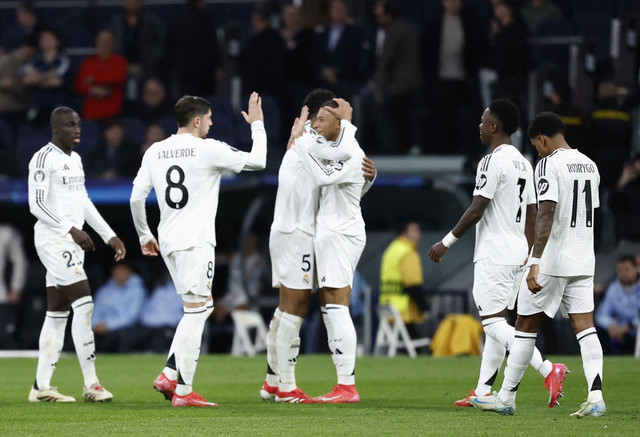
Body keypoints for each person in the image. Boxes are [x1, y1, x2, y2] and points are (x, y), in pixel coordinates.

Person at [129, 92, 267, 407]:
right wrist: (257, 125)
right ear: (196, 120)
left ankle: (173, 377)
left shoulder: (155, 151)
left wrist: (143, 235)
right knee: (196, 310)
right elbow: (258, 161)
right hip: (196, 240)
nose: (212, 123)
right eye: (209, 118)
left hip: (168, 240)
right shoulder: (208, 149)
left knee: (200, 307)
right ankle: (179, 385)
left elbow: (136, 198)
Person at [428, 100, 566, 408]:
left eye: (482, 121)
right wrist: (531, 257)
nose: (478, 126)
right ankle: (482, 391)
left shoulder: (491, 162)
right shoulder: (523, 162)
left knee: (491, 324)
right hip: (517, 252)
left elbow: (477, 207)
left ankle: (548, 369)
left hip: (494, 253)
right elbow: (532, 216)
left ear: (494, 126)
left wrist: (446, 242)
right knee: (499, 324)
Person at [470, 112, 605, 417]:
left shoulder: (549, 163)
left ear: (542, 139)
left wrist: (535, 260)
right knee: (586, 328)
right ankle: (595, 395)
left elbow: (545, 212)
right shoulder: (591, 165)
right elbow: (593, 213)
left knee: (524, 327)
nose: (538, 151)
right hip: (585, 258)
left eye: (537, 146)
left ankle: (505, 398)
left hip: (553, 260)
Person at [261, 93, 364, 404]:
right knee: (295, 309)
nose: (318, 126)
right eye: (315, 119)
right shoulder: (310, 141)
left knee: (285, 309)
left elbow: (347, 167)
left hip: (291, 230)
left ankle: (272, 381)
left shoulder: (309, 143)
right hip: (297, 233)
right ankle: (287, 387)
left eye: (324, 119)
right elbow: (337, 162)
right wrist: (345, 123)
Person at [27, 106, 126, 402]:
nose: (77, 129)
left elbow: (83, 201)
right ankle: (92, 384)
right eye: (70, 125)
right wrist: (70, 229)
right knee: (84, 304)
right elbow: (37, 204)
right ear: (55, 128)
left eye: (78, 124)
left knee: (57, 313)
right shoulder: (43, 158)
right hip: (53, 240)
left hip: (70, 242)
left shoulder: (77, 159)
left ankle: (40, 386)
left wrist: (109, 235)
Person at [292, 98, 371, 404]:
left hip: (341, 233)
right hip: (333, 232)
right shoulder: (335, 148)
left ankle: (347, 386)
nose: (315, 124)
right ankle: (342, 384)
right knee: (329, 307)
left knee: (337, 306)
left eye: (323, 120)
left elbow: (323, 176)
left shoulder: (350, 149)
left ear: (339, 124)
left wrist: (299, 144)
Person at [379, 221, 429, 336]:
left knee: (405, 341)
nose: (419, 234)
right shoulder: (407, 251)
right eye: (415, 231)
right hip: (403, 307)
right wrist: (424, 307)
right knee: (411, 342)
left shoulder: (391, 249)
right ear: (404, 233)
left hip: (387, 303)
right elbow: (413, 284)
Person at [92, 262, 146, 352]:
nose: (118, 274)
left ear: (129, 272)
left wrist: (108, 326)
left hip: (124, 328)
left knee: (115, 339)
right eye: (116, 271)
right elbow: (95, 311)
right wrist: (96, 324)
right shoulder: (104, 290)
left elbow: (132, 317)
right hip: (99, 328)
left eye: (121, 271)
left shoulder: (137, 290)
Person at [74, 30, 128, 121]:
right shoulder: (88, 62)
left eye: (108, 41)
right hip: (91, 112)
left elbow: (117, 78)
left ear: (113, 43)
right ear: (97, 42)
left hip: (113, 112)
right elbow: (79, 86)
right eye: (102, 40)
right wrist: (92, 90)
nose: (105, 43)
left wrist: (93, 79)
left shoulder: (120, 61)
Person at [595, 254, 640, 355]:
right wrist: (611, 325)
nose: (623, 273)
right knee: (599, 329)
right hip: (619, 334)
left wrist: (629, 326)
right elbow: (602, 314)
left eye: (627, 269)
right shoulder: (614, 288)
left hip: (636, 329)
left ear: (636, 268)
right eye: (620, 270)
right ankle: (602, 358)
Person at [0, 223, 28, 349]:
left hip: (3, 297)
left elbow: (19, 261)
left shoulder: (6, 232)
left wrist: (16, 287)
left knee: (5, 339)